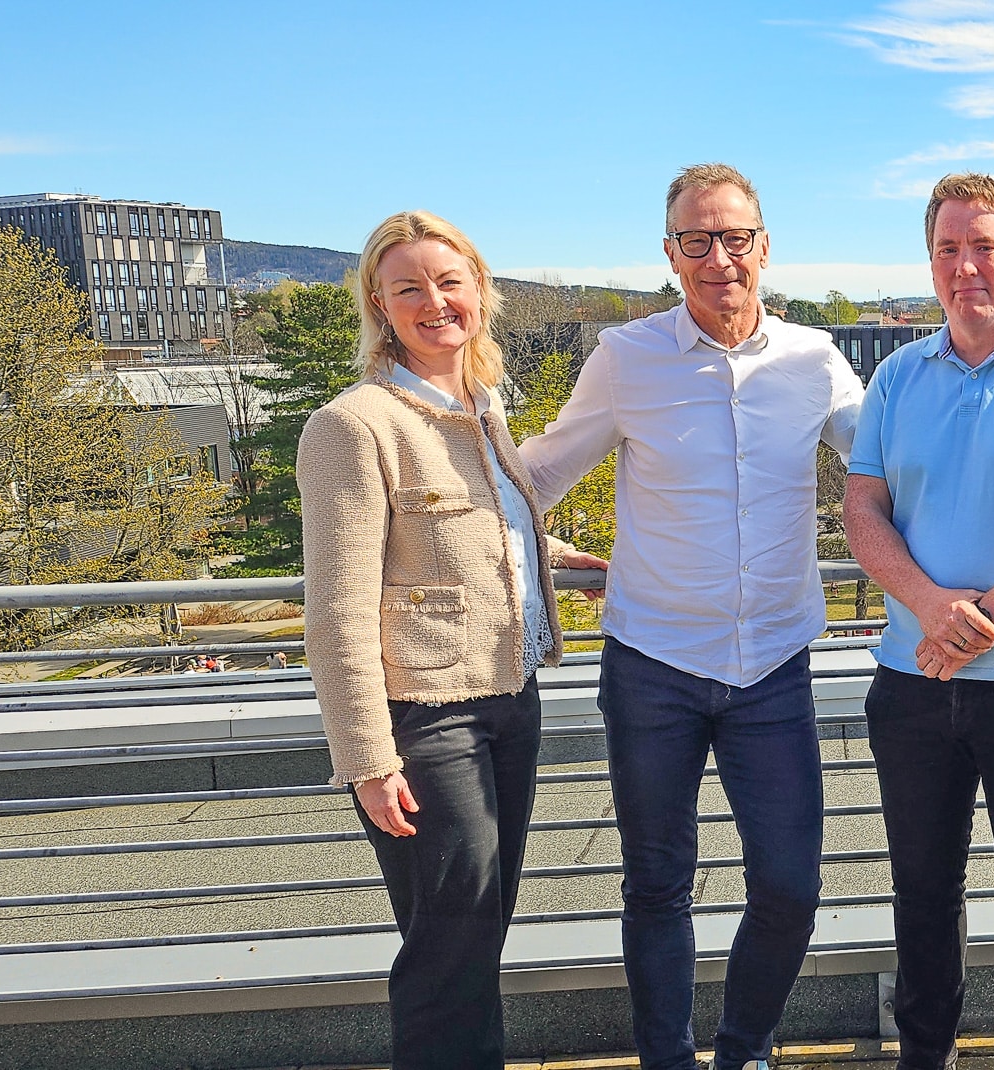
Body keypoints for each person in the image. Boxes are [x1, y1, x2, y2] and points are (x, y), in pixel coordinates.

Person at [517, 164, 864, 1070]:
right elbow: (539, 476)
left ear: (764, 245)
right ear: (670, 253)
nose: (719, 258)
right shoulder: (626, 359)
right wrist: (435, 492)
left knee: (789, 889)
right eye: (696, 241)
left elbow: (895, 469)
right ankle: (666, 1060)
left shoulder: (814, 360)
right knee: (658, 887)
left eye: (735, 237)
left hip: (774, 667)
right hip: (653, 666)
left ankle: (742, 1051)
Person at [297, 210, 609, 1070]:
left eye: (449, 282)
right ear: (379, 305)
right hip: (425, 720)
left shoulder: (478, 406)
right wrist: (367, 757)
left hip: (509, 701)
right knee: (449, 949)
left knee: (476, 936)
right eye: (409, 288)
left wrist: (556, 556)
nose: (434, 302)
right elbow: (336, 607)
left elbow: (475, 529)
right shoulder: (354, 426)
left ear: (480, 291)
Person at [844, 173, 994, 1070]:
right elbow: (862, 507)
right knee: (922, 891)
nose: (965, 266)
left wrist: (984, 614)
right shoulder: (898, 374)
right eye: (948, 249)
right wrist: (930, 608)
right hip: (910, 685)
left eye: (984, 246)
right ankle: (925, 1056)